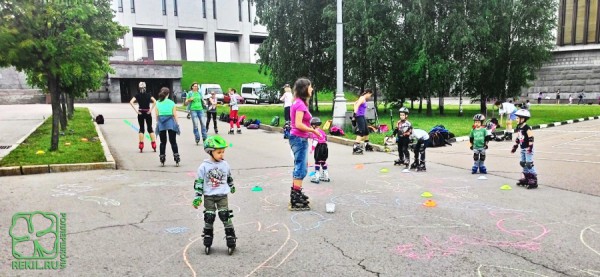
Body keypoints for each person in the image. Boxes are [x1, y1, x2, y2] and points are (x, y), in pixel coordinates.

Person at [192, 135, 237, 255]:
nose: (222, 154)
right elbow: (199, 183)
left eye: (223, 152)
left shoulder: (225, 164)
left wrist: (231, 186)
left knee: (224, 215)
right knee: (209, 216)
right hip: (209, 196)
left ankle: (231, 237)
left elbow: (229, 177)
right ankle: (207, 238)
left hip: (222, 195)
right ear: (210, 152)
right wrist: (197, 197)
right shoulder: (204, 167)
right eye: (219, 152)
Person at [289, 77, 321, 210]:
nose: (312, 89)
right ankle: (295, 197)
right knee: (301, 167)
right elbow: (298, 124)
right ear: (304, 89)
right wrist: (313, 131)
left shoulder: (298, 102)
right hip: (299, 139)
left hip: (298, 138)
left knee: (300, 165)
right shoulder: (300, 104)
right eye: (310, 87)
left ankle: (296, 192)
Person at [511, 109, 538, 189]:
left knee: (529, 164)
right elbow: (519, 138)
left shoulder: (527, 128)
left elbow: (531, 138)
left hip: (528, 148)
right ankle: (526, 178)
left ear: (522, 119)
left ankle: (533, 179)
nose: (516, 119)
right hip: (522, 148)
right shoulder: (519, 127)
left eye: (517, 118)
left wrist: (530, 148)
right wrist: (515, 147)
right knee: (523, 163)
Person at [154, 87, 180, 166]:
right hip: (170, 122)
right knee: (173, 141)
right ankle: (176, 157)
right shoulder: (171, 103)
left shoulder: (157, 103)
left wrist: (158, 122)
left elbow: (157, 115)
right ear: (168, 94)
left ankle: (162, 157)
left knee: (163, 142)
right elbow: (174, 114)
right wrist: (177, 123)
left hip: (161, 123)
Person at [129, 82, 157, 153]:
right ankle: (153, 144)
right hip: (147, 112)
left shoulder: (137, 95)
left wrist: (136, 111)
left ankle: (141, 145)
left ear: (139, 88)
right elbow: (155, 101)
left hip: (140, 112)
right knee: (150, 128)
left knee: (141, 128)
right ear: (145, 87)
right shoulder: (149, 95)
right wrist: (151, 110)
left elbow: (131, 102)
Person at [352, 89, 374, 154]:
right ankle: (355, 147)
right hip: (359, 116)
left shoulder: (362, 98)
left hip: (362, 116)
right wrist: (354, 115)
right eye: (370, 95)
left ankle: (367, 145)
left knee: (366, 131)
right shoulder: (362, 98)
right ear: (368, 93)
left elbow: (354, 103)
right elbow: (357, 105)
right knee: (361, 131)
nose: (370, 96)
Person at [308, 117, 330, 184]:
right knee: (323, 161)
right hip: (325, 146)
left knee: (317, 161)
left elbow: (315, 141)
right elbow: (325, 138)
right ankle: (326, 175)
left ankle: (316, 176)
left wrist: (312, 149)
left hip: (319, 147)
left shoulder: (315, 132)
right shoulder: (322, 131)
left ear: (313, 125)